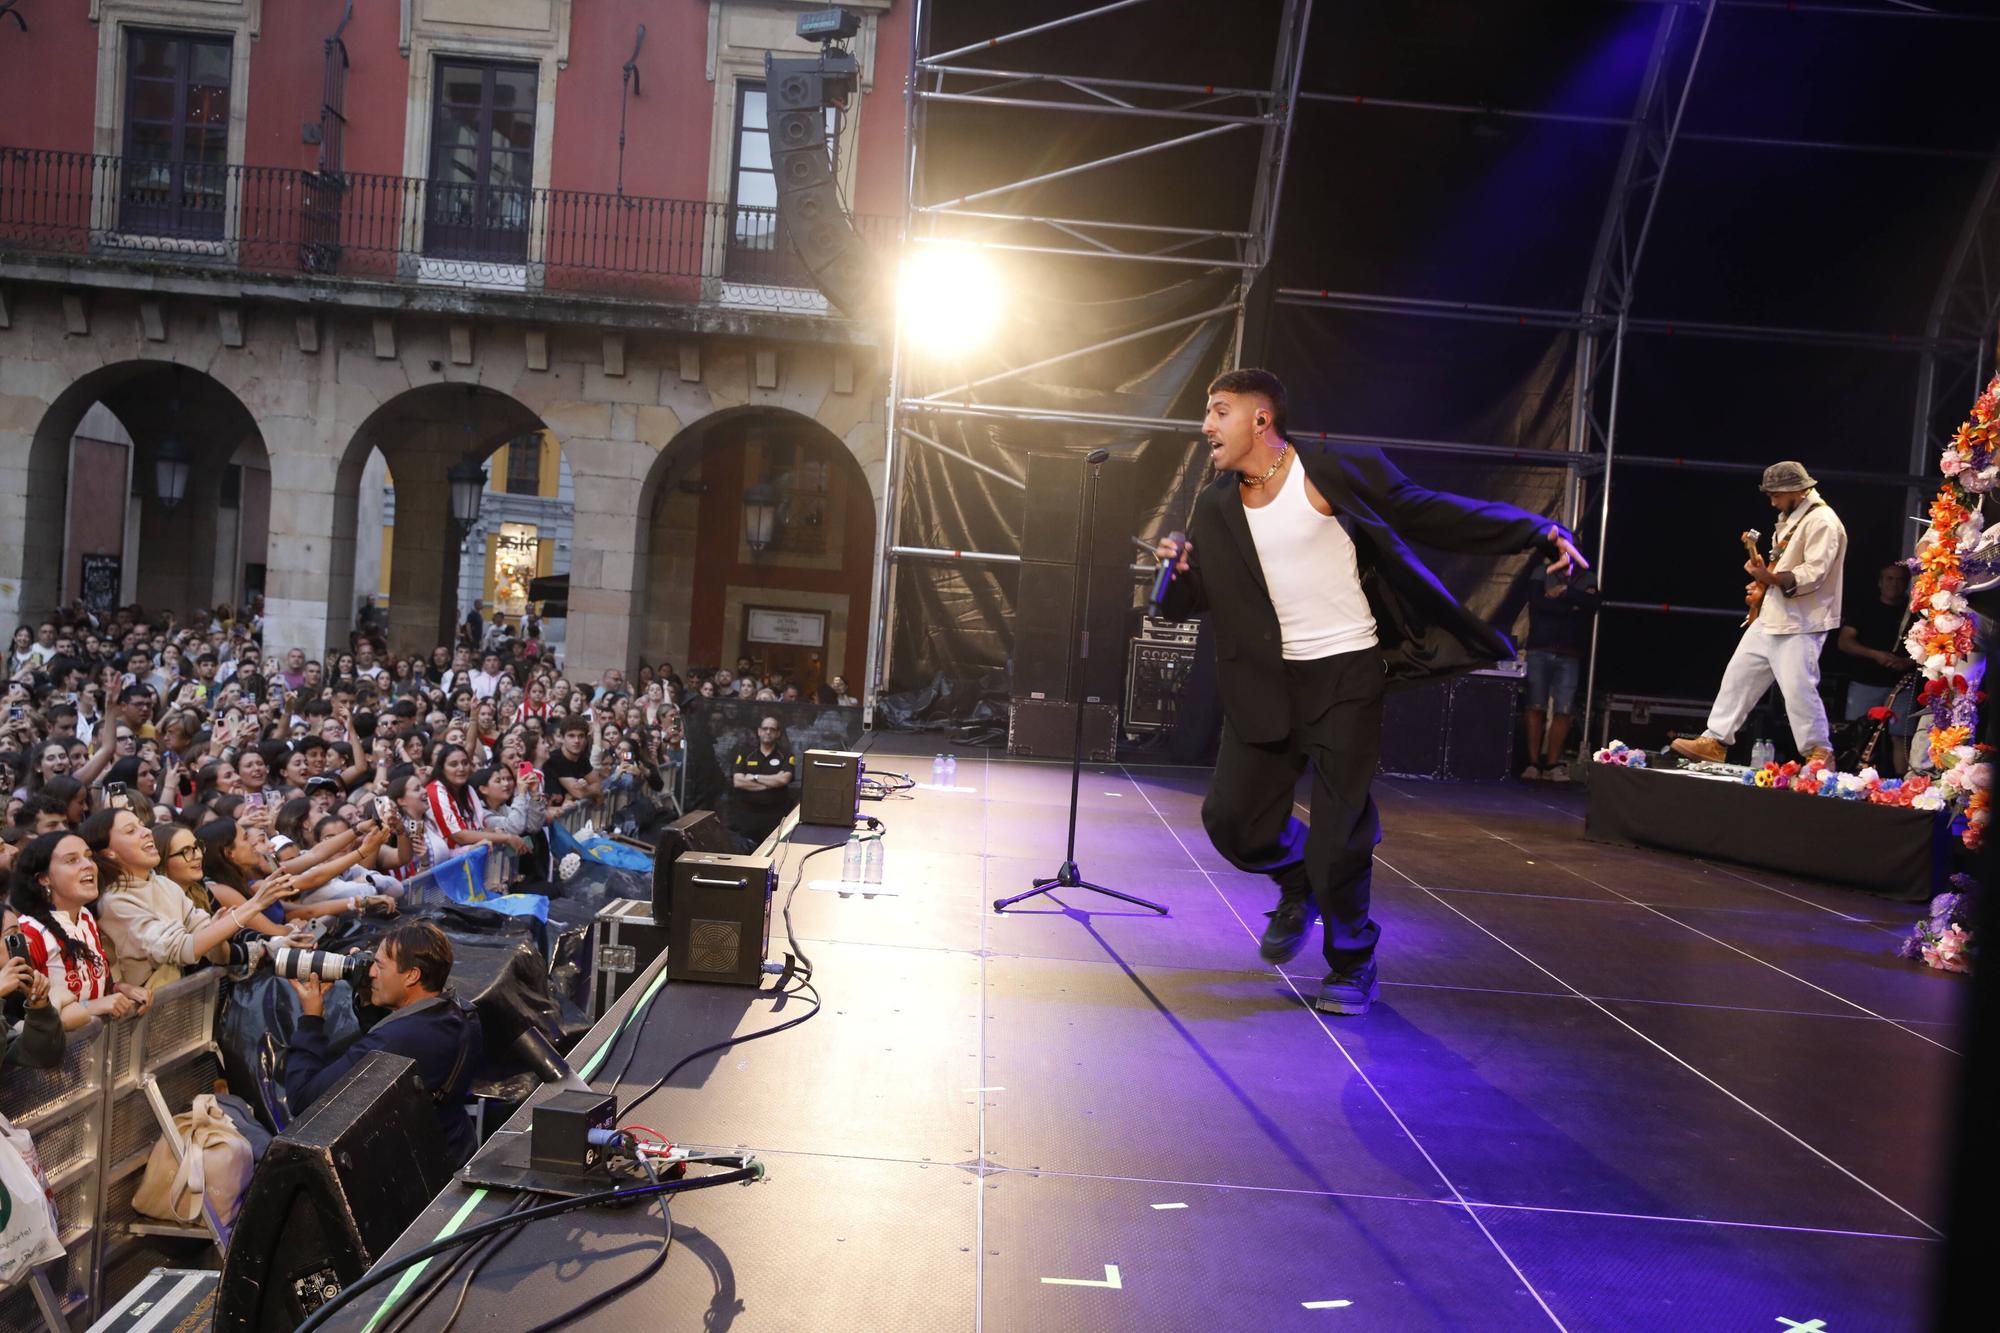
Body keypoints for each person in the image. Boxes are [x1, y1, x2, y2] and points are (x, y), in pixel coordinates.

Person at [1154, 369, 1586, 1016]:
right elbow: (1197, 596)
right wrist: (1177, 573)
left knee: (1339, 839)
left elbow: (1429, 510)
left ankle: (1353, 962)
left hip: (1346, 677)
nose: (1206, 425)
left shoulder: (1333, 469)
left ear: (1261, 419)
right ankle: (1296, 877)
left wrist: (1533, 529)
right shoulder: (1214, 503)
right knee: (1231, 823)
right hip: (1266, 683)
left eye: (1219, 411)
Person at [1670, 462, 1847, 766]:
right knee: (1738, 676)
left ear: (1798, 490)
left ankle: (1820, 752)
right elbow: (1784, 567)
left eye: (1776, 495)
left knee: (1798, 689)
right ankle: (1715, 740)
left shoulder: (1823, 521)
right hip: (1773, 615)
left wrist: (1772, 579)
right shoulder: (1793, 518)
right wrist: (1764, 581)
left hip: (1801, 621)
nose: (1773, 501)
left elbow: (1815, 572)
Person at [284, 921, 482, 1168]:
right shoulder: (461, 1012)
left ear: (412, 975)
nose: (371, 973)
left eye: (379, 965)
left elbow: (304, 1101)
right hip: (455, 1147)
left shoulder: (396, 1040)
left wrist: (311, 1021)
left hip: (416, 1173)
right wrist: (369, 1003)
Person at [7, 830, 152, 1030]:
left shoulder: (85, 916)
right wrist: (90, 1007)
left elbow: (91, 985)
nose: (88, 865)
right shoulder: (29, 932)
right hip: (54, 1057)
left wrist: (120, 988)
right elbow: (27, 1014)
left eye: (88, 857)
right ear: (44, 878)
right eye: (72, 860)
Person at [1519, 565, 1599, 782]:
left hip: (1570, 652)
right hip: (1540, 649)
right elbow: (1537, 603)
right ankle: (1533, 763)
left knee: (1564, 708)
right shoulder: (1542, 572)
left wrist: (1563, 591)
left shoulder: (1588, 577)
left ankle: (1553, 763)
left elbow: (1591, 605)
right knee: (1536, 705)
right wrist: (1572, 605)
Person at [1837, 560, 1917, 773]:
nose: (1895, 584)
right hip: (1866, 682)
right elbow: (1844, 642)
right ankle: (1855, 779)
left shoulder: (1916, 612)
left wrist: (1906, 662)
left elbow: (1928, 649)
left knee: (1900, 736)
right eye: (1890, 578)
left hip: (1902, 685)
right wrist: (1875, 655)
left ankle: (1903, 783)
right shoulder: (1864, 608)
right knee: (1861, 735)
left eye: (1900, 580)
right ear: (1880, 582)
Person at [725, 715, 797, 849]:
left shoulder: (786, 754)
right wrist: (771, 783)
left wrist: (754, 777)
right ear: (759, 731)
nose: (768, 732)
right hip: (747, 817)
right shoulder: (746, 753)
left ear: (778, 733)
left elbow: (784, 779)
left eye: (772, 729)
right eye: (765, 728)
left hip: (775, 817)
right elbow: (738, 781)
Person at [1, 950, 64, 1068]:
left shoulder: (13, 993)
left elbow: (42, 1057)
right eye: (12, 932)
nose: (28, 940)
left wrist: (39, 1008)